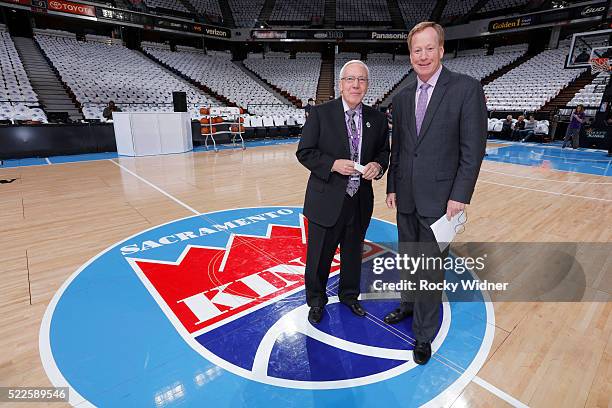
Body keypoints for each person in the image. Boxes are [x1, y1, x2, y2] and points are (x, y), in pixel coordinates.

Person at [385, 22, 487, 365]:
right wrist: (393, 186)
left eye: (430, 48)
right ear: (410, 55)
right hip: (407, 199)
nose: (423, 56)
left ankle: (424, 333)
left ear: (441, 50)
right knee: (408, 259)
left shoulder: (466, 89)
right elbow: (398, 149)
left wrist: (460, 195)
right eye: (417, 50)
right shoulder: (401, 99)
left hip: (443, 201)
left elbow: (472, 149)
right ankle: (408, 304)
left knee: (429, 268)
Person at [296, 60, 390, 325]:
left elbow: (384, 152)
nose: (355, 85)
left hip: (359, 199)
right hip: (326, 199)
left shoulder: (377, 118)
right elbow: (304, 152)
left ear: (367, 86)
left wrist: (377, 165)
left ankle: (349, 295)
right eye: (350, 79)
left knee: (352, 253)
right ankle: (316, 300)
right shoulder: (320, 113)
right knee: (319, 257)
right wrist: (332, 164)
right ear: (340, 83)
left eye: (361, 80)